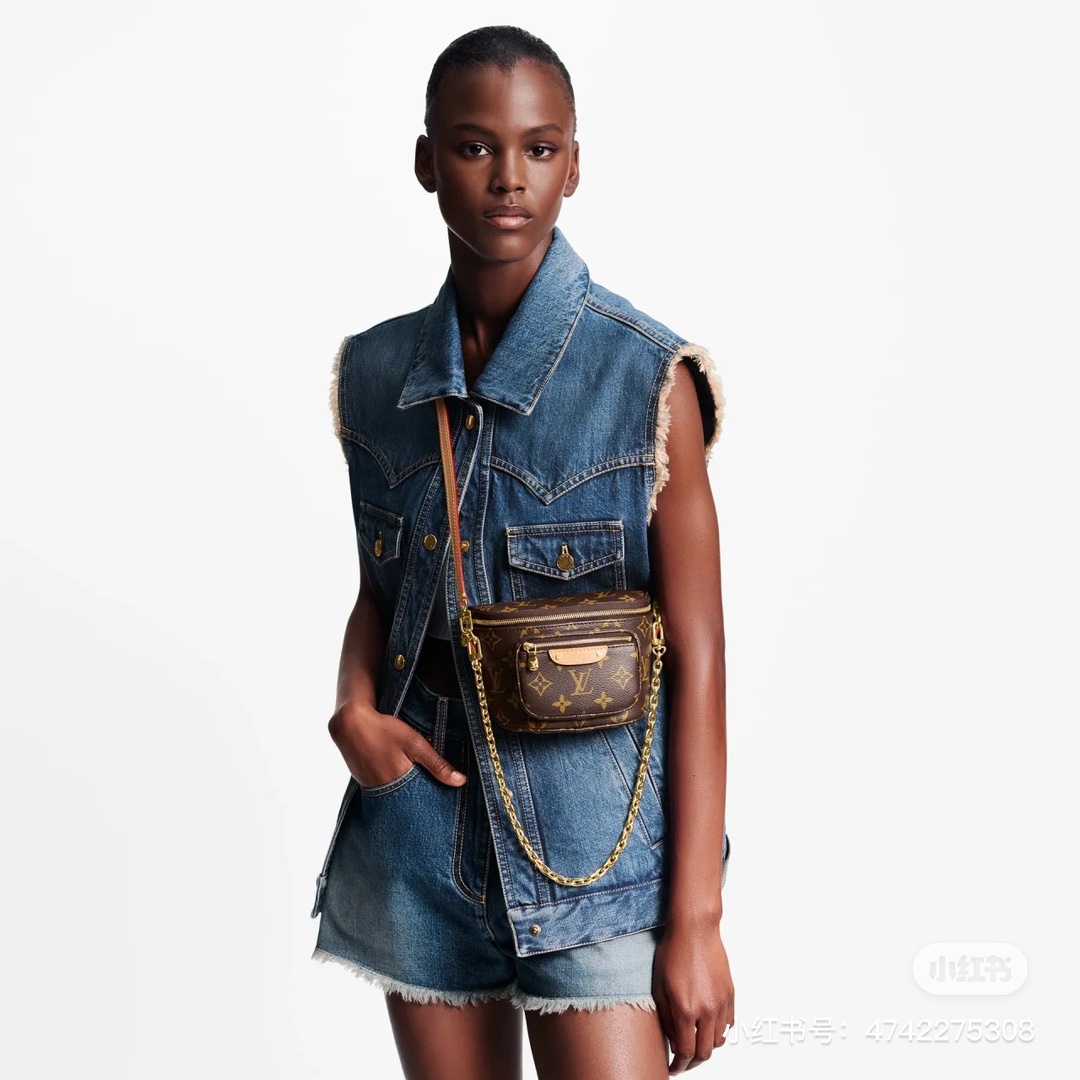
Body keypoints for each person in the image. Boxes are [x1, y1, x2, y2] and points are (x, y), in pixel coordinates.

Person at [309, 25, 733, 1079]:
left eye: (540, 149)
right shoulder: (375, 375)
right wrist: (354, 707)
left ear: (573, 165)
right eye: (474, 147)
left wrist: (696, 921)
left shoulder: (645, 378)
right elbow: (383, 588)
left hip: (598, 843)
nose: (509, 178)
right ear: (426, 162)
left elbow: (701, 657)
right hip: (418, 831)